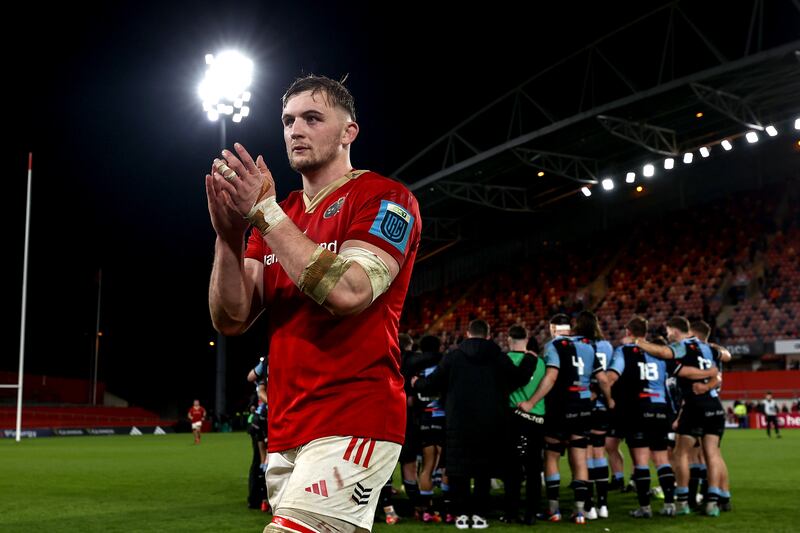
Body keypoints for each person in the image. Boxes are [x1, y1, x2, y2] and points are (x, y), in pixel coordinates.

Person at [206, 74, 422, 533]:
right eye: (287, 120)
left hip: (354, 416)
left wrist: (263, 215)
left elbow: (350, 291)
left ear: (349, 132)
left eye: (311, 118)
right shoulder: (279, 213)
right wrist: (228, 239)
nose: (295, 130)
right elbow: (231, 318)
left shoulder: (385, 198)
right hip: (287, 427)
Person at [411, 320, 536, 530]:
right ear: (488, 335)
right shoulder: (497, 356)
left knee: (459, 470)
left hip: (458, 421)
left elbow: (433, 383)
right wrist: (530, 359)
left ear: (468, 334)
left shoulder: (454, 357)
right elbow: (519, 378)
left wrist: (417, 383)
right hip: (491, 422)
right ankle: (479, 515)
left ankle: (461, 515)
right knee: (483, 470)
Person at [517, 314, 614, 525]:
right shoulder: (588, 347)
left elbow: (551, 376)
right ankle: (579, 512)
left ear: (553, 328)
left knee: (551, 456)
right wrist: (609, 400)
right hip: (583, 408)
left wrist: (531, 403)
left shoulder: (553, 346)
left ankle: (554, 510)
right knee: (579, 457)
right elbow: (603, 379)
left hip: (560, 409)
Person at [633, 317, 726, 517]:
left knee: (681, 453)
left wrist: (639, 341)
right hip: (715, 406)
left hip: (694, 406)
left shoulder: (681, 347)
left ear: (675, 331)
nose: (667, 336)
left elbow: (662, 352)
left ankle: (682, 501)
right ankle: (713, 502)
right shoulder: (708, 348)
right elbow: (724, 360)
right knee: (712, 454)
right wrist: (709, 378)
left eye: (668, 331)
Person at [502, 325, 546, 525]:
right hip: (536, 418)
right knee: (534, 468)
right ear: (527, 339)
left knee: (512, 467)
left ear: (508, 339)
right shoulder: (541, 363)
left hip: (513, 417)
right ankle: (531, 514)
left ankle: (511, 513)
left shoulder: (503, 361)